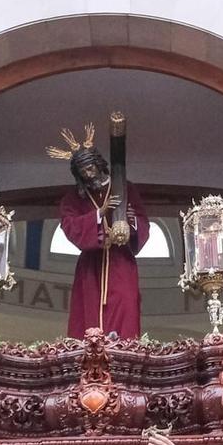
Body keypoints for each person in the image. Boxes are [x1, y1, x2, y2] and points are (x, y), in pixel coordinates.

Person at [53, 130, 149, 340]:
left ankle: (125, 352)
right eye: (82, 171)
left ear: (98, 163)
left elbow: (143, 222)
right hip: (91, 266)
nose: (88, 174)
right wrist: (100, 213)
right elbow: (70, 226)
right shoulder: (73, 198)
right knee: (88, 310)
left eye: (90, 168)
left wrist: (131, 221)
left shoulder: (125, 188)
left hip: (121, 263)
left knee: (126, 301)